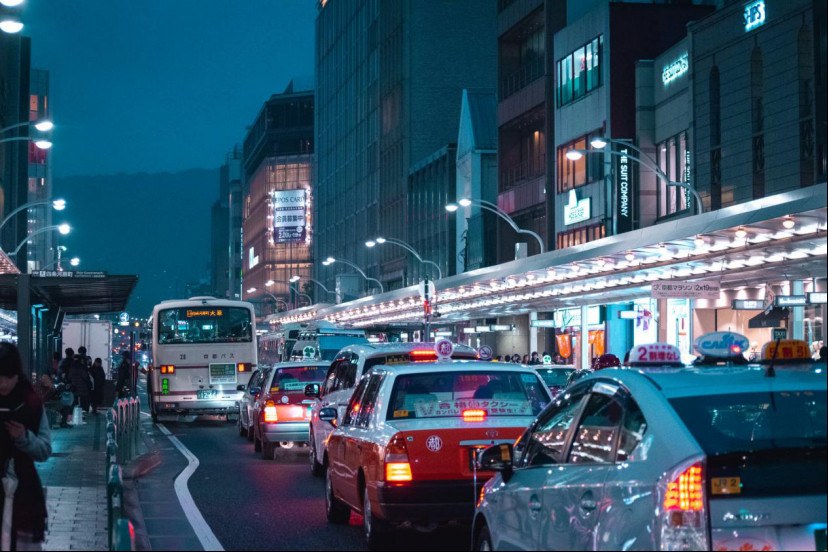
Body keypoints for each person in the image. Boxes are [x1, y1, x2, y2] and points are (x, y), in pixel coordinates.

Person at [0, 342, 51, 551]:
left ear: (17, 375)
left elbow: (45, 449)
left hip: (25, 492)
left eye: (8, 377)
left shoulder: (31, 403)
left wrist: (24, 437)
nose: (2, 383)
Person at [67, 351, 92, 416]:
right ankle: (83, 414)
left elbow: (69, 377)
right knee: (83, 402)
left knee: (74, 402)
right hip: (82, 388)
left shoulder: (71, 368)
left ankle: (74, 414)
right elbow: (85, 377)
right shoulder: (82, 368)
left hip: (74, 388)